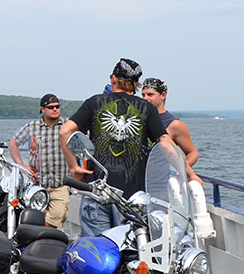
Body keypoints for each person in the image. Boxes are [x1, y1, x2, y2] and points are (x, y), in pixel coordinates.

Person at [59, 58, 169, 237]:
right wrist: (188, 172)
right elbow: (165, 144)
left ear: (113, 79)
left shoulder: (94, 102)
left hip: (97, 190)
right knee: (132, 252)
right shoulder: (146, 108)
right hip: (132, 198)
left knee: (96, 252)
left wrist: (74, 167)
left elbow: (65, 132)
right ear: (136, 84)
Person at [9, 94, 69, 228]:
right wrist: (22, 165)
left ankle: (42, 236)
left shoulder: (67, 125)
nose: (55, 109)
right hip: (37, 183)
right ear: (42, 109)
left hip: (61, 183)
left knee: (58, 215)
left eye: (57, 106)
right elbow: (13, 144)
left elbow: (83, 140)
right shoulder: (33, 126)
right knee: (34, 218)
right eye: (51, 107)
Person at [141, 77, 199, 167]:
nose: (145, 98)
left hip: (160, 177)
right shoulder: (138, 119)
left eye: (150, 95)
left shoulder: (174, 124)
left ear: (163, 95)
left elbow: (192, 153)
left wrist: (182, 170)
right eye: (143, 95)